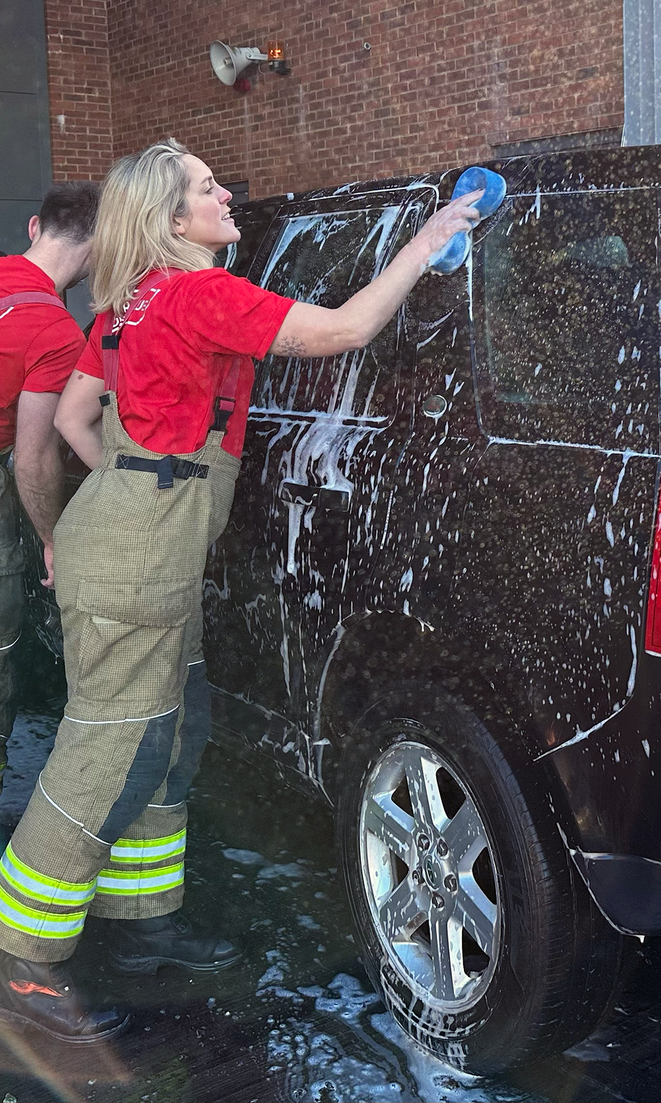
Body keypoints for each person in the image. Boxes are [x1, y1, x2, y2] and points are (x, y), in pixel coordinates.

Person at [0, 138, 482, 1044]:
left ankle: (142, 923)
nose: (226, 195)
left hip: (140, 534)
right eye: (207, 188)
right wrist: (429, 239)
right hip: (142, 544)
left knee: (169, 727)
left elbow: (72, 418)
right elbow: (342, 331)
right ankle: (20, 963)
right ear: (173, 220)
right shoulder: (197, 292)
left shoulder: (125, 300)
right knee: (107, 746)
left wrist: (131, 495)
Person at [0, 182, 99, 784]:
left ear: (35, 229)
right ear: (96, 252)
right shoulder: (55, 332)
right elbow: (33, 458)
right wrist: (54, 540)